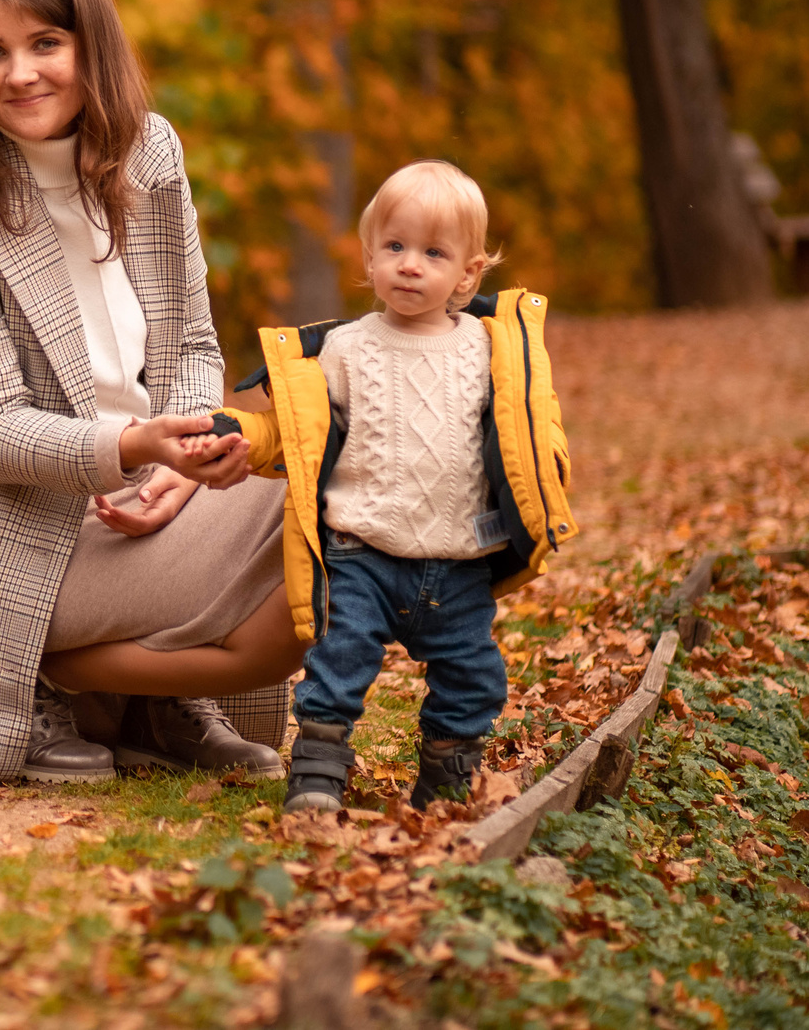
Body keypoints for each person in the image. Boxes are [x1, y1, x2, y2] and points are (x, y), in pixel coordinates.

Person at [0, 0, 303, 783]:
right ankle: (46, 683)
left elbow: (192, 342)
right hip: (6, 536)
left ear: (89, 43)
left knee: (329, 481)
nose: (19, 73)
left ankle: (159, 706)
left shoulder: (149, 154)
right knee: (313, 526)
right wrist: (136, 449)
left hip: (144, 488)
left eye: (45, 43)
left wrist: (190, 455)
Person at [198, 160, 580, 814]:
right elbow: (297, 428)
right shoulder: (345, 349)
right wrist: (237, 433)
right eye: (395, 246)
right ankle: (316, 782)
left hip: (458, 559)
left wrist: (552, 473)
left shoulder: (492, 351)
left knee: (474, 677)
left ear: (467, 273)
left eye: (433, 252)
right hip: (361, 550)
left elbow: (529, 428)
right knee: (337, 663)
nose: (410, 264)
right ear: (369, 255)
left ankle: (444, 787)